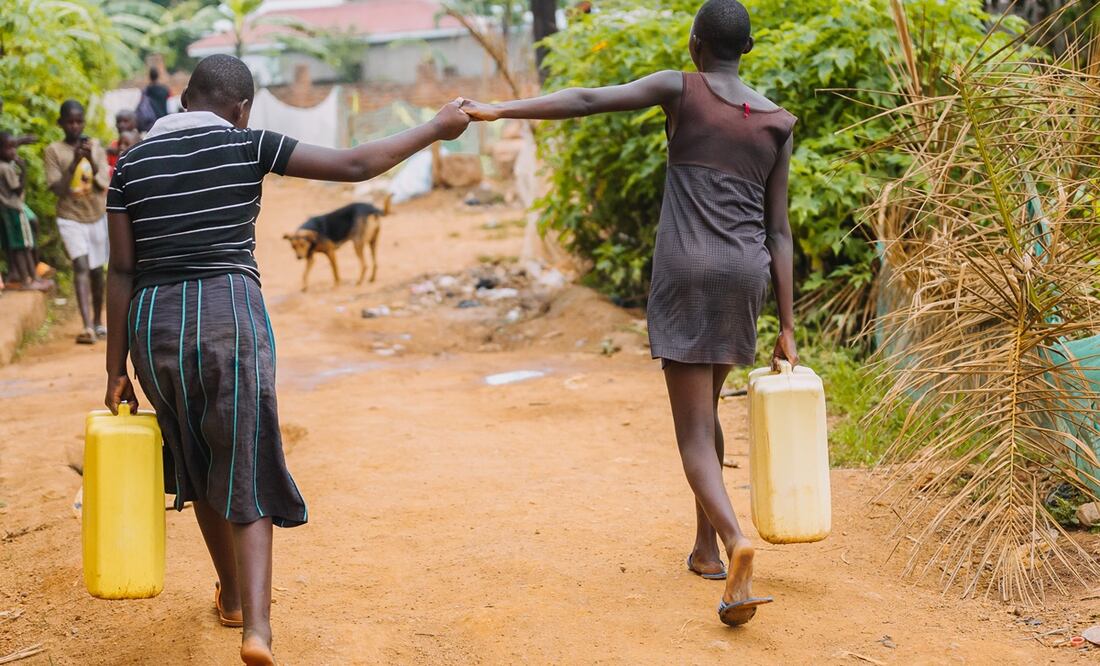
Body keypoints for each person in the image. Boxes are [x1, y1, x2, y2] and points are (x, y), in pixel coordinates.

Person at [103, 54, 469, 665]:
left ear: (185, 99)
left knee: (196, 460)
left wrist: (115, 367)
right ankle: (258, 631)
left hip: (153, 322)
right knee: (244, 458)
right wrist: (434, 127)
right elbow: (355, 165)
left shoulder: (130, 164)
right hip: (229, 312)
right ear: (241, 109)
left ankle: (231, 600)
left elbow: (120, 269)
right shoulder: (248, 144)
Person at [461, 0, 797, 627]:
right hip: (744, 276)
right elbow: (780, 233)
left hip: (686, 272)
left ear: (696, 45)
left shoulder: (681, 89)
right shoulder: (777, 121)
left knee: (693, 432)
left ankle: (734, 540)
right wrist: (789, 324)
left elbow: (588, 99)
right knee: (711, 408)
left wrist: (498, 109)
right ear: (746, 48)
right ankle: (705, 550)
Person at [45, 100, 110, 343]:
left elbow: (103, 183)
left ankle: (97, 321)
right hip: (70, 217)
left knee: (96, 271)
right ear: (61, 123)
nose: (75, 126)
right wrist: (73, 162)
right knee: (81, 266)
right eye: (70, 121)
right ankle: (87, 327)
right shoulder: (54, 151)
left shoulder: (94, 146)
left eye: (78, 121)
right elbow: (58, 189)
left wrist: (90, 160)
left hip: (95, 215)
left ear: (83, 122)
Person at [0, 132, 51, 291]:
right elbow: (17, 189)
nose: (13, 152)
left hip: (7, 210)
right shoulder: (6, 168)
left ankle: (32, 277)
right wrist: (23, 170)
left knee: (21, 246)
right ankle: (28, 281)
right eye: (9, 148)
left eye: (14, 147)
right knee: (23, 246)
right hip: (14, 209)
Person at [137, 68, 170, 132]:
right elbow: (170, 105)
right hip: (164, 120)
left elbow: (142, 107)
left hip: (152, 123)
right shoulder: (165, 90)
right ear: (158, 76)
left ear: (149, 76)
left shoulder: (146, 91)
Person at [107, 109, 137, 174]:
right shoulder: (113, 145)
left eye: (125, 121)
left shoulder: (139, 144)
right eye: (119, 122)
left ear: (134, 123)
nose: (121, 125)